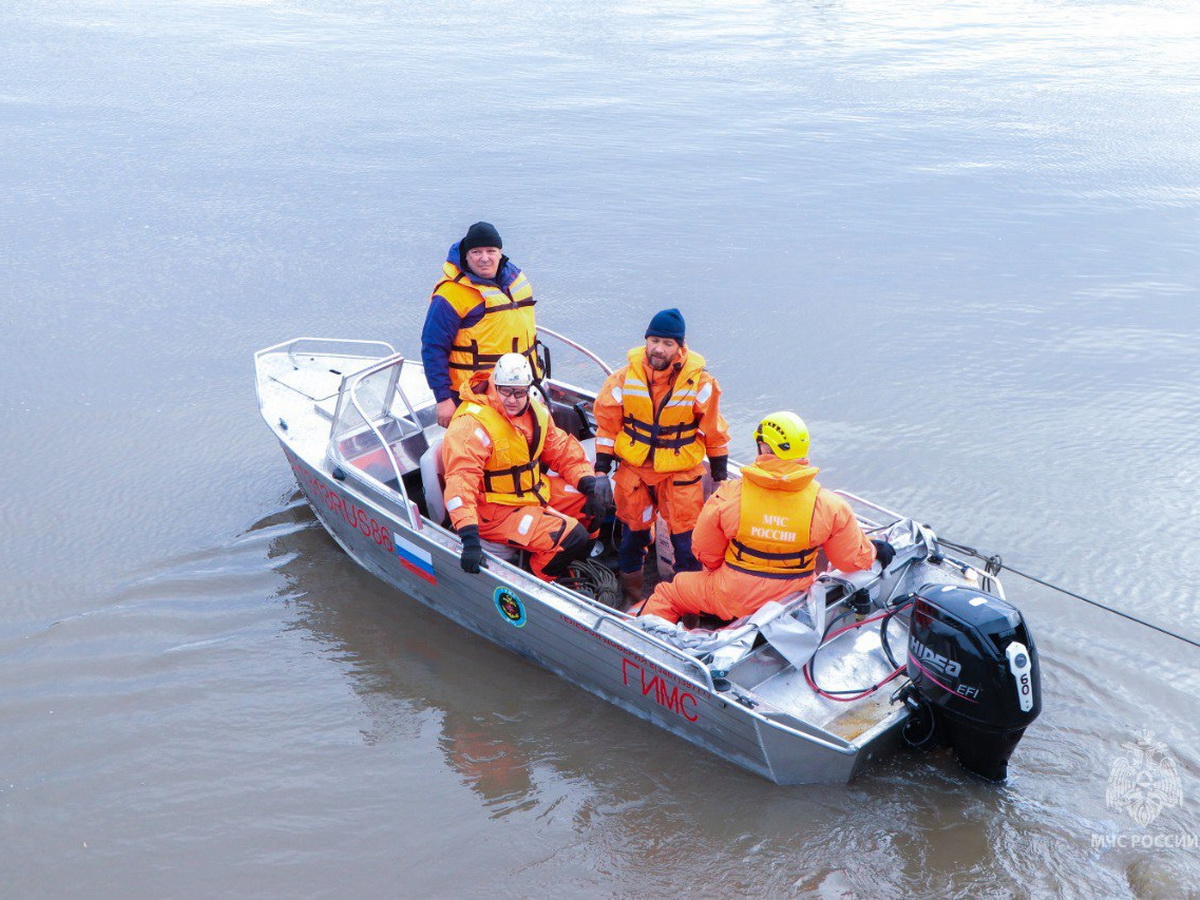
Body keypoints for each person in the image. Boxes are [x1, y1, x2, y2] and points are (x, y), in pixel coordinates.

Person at [638, 411, 895, 625]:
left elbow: (703, 550)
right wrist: (875, 551)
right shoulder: (830, 505)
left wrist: (724, 574)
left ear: (762, 446)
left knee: (670, 593)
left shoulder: (730, 495)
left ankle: (643, 643)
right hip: (793, 598)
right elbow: (851, 560)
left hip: (729, 595)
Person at [592, 308, 730, 607]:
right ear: (646, 341)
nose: (659, 348)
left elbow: (714, 433)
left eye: (667, 343)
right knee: (632, 541)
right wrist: (601, 472)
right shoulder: (622, 379)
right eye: (654, 340)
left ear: (680, 347)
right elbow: (606, 428)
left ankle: (687, 612)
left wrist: (720, 480)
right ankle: (633, 600)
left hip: (680, 476)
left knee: (687, 547)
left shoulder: (700, 383)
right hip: (635, 474)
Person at [442, 353, 609, 582]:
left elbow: (561, 450)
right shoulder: (470, 425)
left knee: (595, 503)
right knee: (570, 536)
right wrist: (469, 540)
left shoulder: (536, 413)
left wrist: (588, 482)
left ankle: (574, 563)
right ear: (494, 385)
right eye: (505, 391)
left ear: (528, 389)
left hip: (533, 492)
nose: (512, 399)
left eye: (519, 392)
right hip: (493, 511)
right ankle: (539, 579)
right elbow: (460, 485)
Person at [422, 222, 539, 428]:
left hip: (518, 387)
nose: (484, 258)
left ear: (500, 253)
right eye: (476, 252)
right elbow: (433, 348)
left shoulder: (516, 280)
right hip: (475, 395)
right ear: (465, 256)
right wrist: (443, 400)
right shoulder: (450, 296)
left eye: (490, 251)